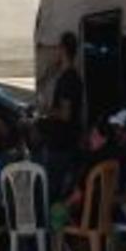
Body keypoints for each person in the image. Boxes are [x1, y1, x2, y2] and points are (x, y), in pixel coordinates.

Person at [40, 31, 84, 199]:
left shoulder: (67, 79)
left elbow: (66, 114)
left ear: (63, 49)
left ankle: (52, 225)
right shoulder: (75, 78)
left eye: (58, 48)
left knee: (53, 195)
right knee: (61, 194)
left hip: (60, 147)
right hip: (68, 144)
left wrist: (46, 110)